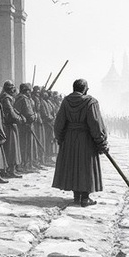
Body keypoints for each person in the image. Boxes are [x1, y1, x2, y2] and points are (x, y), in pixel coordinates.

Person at [52, 79, 109, 207]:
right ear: (84, 89)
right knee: (85, 166)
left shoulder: (66, 101)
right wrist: (101, 142)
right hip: (86, 139)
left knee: (73, 165)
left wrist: (60, 139)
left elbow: (59, 123)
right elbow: (96, 124)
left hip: (69, 139)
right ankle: (85, 198)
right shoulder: (90, 102)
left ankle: (76, 196)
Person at [0, 81, 26, 177]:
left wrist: (20, 115)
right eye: (12, 87)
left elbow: (13, 110)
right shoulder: (6, 98)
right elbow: (11, 112)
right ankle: (9, 171)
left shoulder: (8, 97)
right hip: (9, 125)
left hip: (11, 125)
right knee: (11, 149)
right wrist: (19, 119)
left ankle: (10, 170)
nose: (13, 89)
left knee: (12, 148)